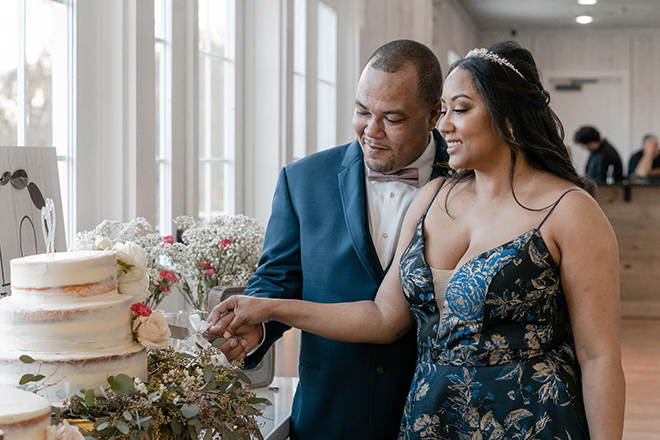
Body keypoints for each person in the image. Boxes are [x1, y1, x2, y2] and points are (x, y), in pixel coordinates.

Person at [209, 41, 625, 439]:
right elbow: (384, 317)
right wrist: (265, 309)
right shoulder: (431, 197)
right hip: (424, 418)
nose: (445, 126)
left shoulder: (570, 211)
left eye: (457, 110)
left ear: (508, 117)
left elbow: (599, 356)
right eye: (361, 111)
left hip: (530, 420)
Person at [210, 39, 450, 440]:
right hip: (329, 414)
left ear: (434, 115)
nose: (370, 131)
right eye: (361, 111)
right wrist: (256, 333)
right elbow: (275, 282)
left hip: (437, 415)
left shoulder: (470, 183)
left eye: (392, 118)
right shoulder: (302, 180)